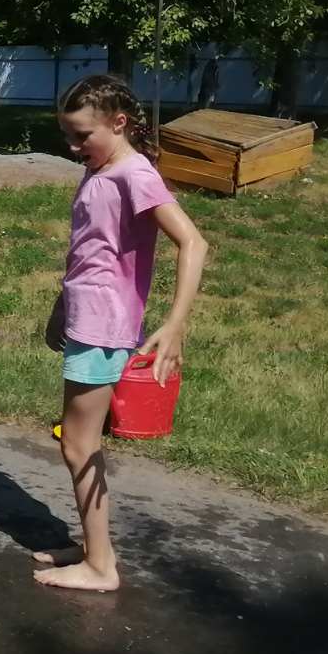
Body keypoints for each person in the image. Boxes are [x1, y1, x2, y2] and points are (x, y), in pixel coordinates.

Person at [40, 74, 208, 592]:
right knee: (78, 441)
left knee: (78, 443)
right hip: (86, 316)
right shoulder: (100, 169)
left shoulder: (134, 174)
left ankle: (100, 566)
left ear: (119, 123)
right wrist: (61, 308)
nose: (73, 146)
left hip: (104, 324)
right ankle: (95, 549)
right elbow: (90, 249)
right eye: (68, 135)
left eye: (82, 135)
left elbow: (194, 243)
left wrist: (175, 325)